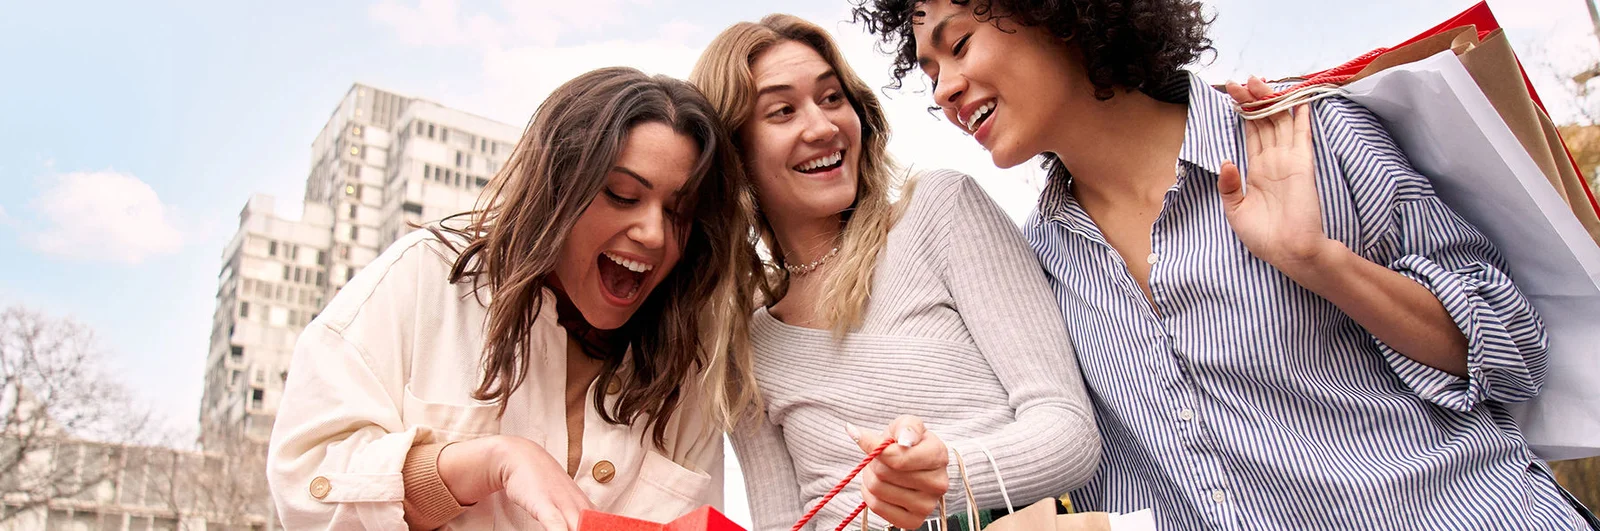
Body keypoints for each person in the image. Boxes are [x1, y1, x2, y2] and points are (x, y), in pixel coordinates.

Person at [852, 0, 1600, 528]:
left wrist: (1323, 263)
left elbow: (1512, 350)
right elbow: (1092, 466)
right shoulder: (1038, 264)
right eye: (927, 68)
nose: (943, 87)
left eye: (958, 44)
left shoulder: (1303, 137)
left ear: (1056, 13)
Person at [265, 67, 759, 530]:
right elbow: (306, 482)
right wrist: (492, 462)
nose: (654, 234)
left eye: (679, 211)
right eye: (623, 195)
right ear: (556, 190)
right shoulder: (425, 280)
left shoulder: (687, 371)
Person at [689, 14, 1101, 531]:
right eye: (782, 111)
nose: (821, 127)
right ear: (734, 155)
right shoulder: (744, 343)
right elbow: (782, 523)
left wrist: (943, 473)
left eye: (832, 98)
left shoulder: (940, 211)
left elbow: (1070, 433)